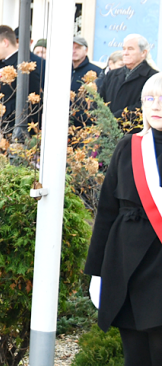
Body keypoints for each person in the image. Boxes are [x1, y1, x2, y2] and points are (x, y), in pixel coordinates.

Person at [84, 73, 162, 366]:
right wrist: (96, 270)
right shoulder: (128, 147)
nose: (156, 107)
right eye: (149, 99)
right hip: (126, 261)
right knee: (135, 353)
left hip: (159, 262)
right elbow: (106, 210)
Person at [0, 24, 46, 133]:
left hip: (15, 126)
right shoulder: (0, 63)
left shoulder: (26, 64)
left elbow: (33, 98)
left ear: (5, 43)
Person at [99, 34, 158, 121]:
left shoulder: (153, 78)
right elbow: (99, 100)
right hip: (106, 129)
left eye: (130, 49)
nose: (125, 53)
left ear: (143, 53)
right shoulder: (111, 75)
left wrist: (114, 119)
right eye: (124, 49)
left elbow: (144, 106)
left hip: (133, 130)